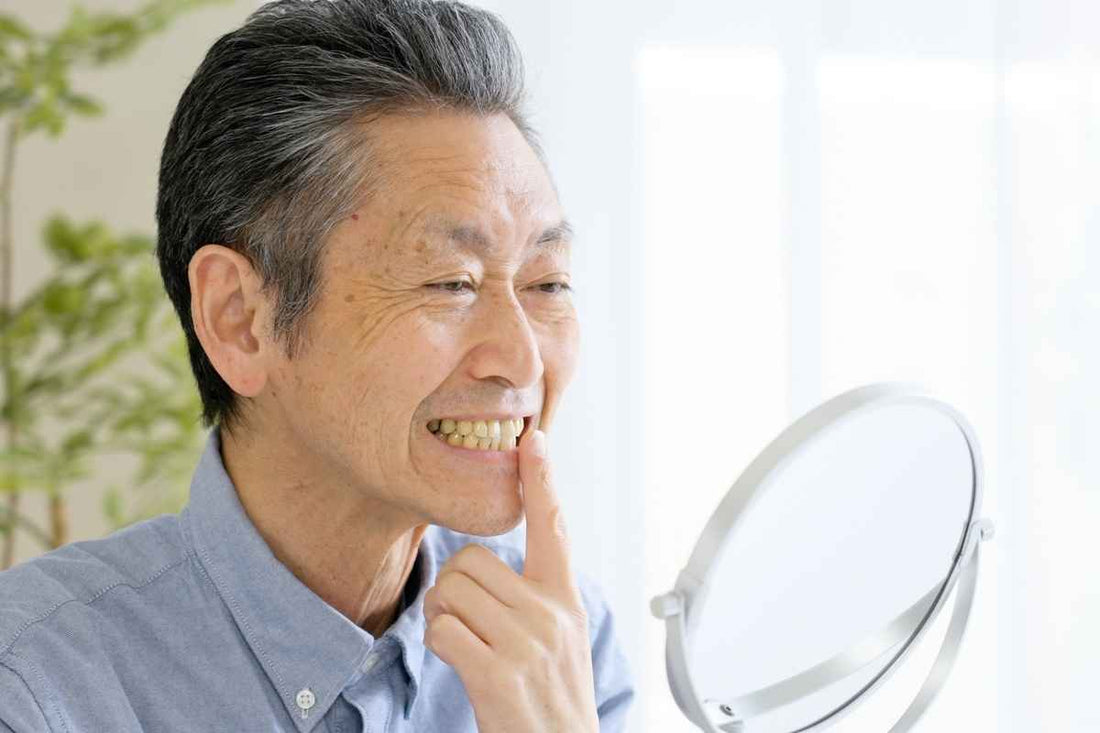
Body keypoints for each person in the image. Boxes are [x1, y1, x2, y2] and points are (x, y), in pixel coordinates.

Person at [0, 1, 635, 730]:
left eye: (547, 283)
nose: (523, 358)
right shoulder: (34, 686)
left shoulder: (563, 642)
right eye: (451, 282)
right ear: (240, 318)